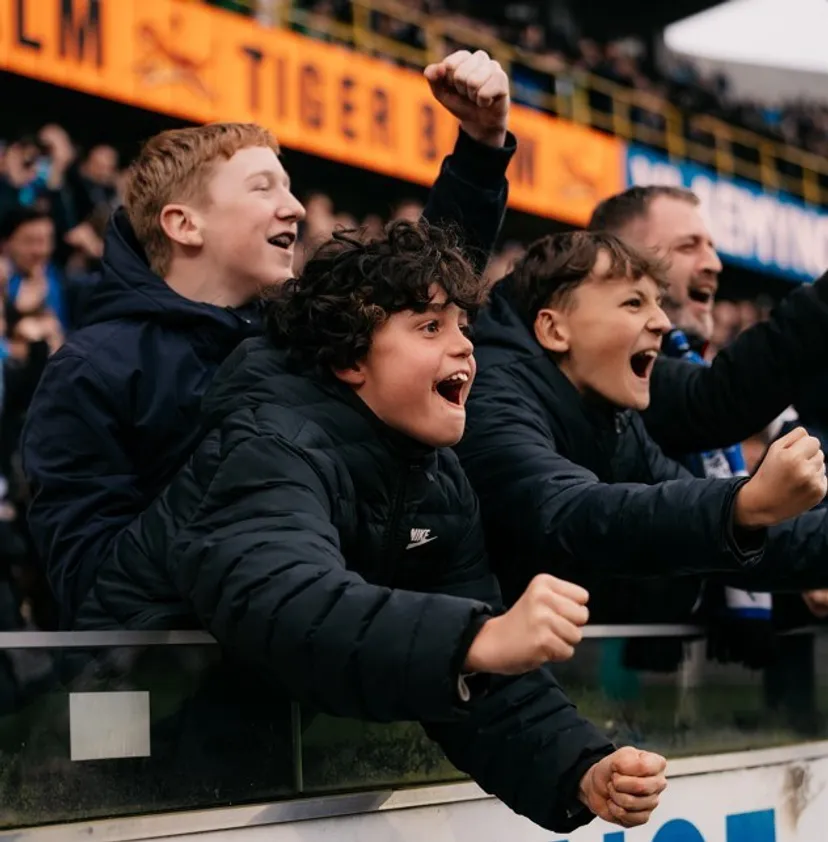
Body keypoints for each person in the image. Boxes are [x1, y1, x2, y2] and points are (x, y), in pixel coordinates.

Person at [76, 220, 668, 834]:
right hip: (102, 778)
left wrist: (580, 768)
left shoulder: (437, 479)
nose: (466, 345)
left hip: (228, 778)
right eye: (430, 326)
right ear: (352, 356)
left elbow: (481, 681)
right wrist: (471, 639)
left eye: (464, 326)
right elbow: (283, 599)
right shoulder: (269, 442)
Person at [23, 50, 518, 627]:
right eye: (264, 188)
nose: (297, 206)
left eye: (289, 187)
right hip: (176, 700)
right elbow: (92, 589)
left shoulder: (298, 334)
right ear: (184, 224)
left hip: (322, 672)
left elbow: (421, 284)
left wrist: (481, 150)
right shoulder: (90, 369)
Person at [456, 231, 828, 612]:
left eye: (659, 303)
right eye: (634, 303)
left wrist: (745, 511)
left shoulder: (614, 417)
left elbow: (747, 539)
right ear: (553, 329)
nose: (663, 322)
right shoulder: (491, 396)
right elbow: (569, 513)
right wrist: (740, 505)